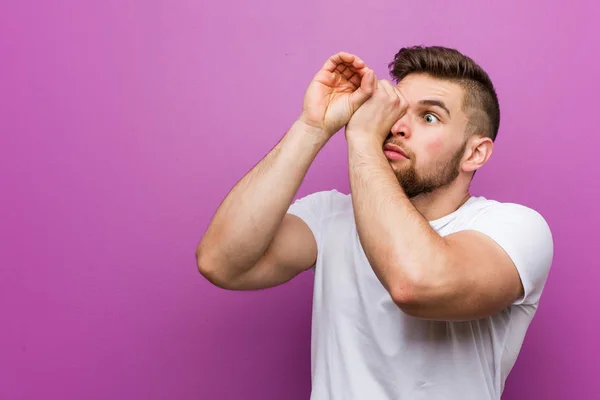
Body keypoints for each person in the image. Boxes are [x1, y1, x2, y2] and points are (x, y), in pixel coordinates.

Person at [195, 46, 554, 400]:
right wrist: (312, 127)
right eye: (395, 109)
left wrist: (364, 139)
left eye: (429, 117)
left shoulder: (514, 228)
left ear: (475, 153)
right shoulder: (330, 216)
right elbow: (221, 263)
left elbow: (415, 284)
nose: (396, 127)